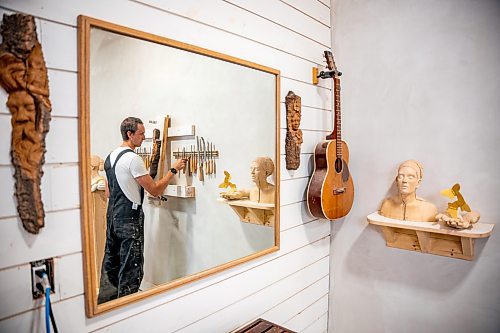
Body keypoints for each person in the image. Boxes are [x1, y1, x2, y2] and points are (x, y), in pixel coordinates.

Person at [98, 117, 186, 303]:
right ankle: (128, 312)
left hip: (112, 217)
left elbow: (108, 192)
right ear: (129, 134)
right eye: (141, 134)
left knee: (112, 266)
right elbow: (154, 190)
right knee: (131, 269)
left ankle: (108, 310)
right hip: (129, 219)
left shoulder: (110, 157)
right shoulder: (132, 159)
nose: (144, 137)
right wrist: (174, 169)